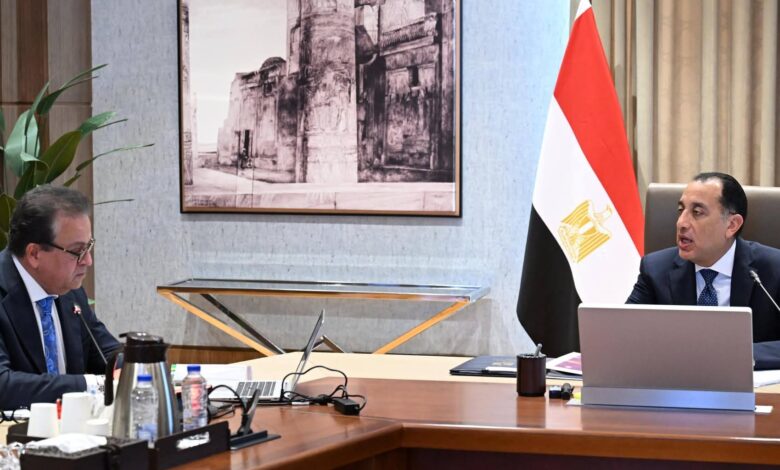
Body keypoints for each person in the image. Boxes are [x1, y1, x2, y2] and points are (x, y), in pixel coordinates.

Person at [627, 172, 780, 369]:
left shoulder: (773, 269)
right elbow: (625, 334)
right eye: (681, 210)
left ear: (732, 225)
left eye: (697, 212)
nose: (681, 223)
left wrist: (733, 355)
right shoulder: (655, 269)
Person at [0, 185, 120, 409]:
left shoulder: (68, 290)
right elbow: (4, 386)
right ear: (34, 254)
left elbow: (105, 352)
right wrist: (93, 384)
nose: (88, 261)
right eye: (77, 251)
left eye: (89, 246)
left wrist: (130, 368)